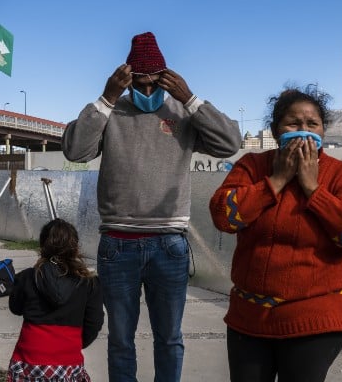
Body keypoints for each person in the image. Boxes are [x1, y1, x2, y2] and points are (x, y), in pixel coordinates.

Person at [62, 31, 241, 381]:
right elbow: (75, 151)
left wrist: (189, 98)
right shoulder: (113, 110)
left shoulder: (181, 112)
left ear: (165, 78)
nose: (146, 91)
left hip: (168, 244)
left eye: (153, 82)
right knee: (120, 341)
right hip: (117, 244)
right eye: (138, 84)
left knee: (169, 338)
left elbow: (229, 143)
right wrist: (106, 98)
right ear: (126, 82)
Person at [208, 85, 342, 382]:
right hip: (249, 318)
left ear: (323, 130)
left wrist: (313, 189)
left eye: (312, 124)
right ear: (276, 130)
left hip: (315, 318)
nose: (303, 131)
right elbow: (225, 217)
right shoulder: (252, 167)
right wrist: (276, 180)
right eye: (293, 123)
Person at [7, 218, 104, 382]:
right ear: (75, 247)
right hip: (68, 361)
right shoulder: (89, 282)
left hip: (29, 360)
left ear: (42, 245)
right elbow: (94, 323)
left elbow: (15, 308)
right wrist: (76, 345)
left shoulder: (28, 276)